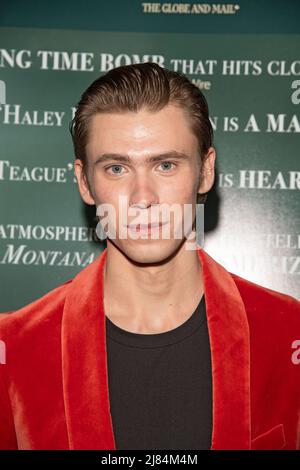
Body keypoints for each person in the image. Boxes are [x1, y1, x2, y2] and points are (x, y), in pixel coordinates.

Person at [0, 63, 299, 450]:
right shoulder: (15, 349)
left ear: (205, 171)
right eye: (117, 168)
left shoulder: (288, 334)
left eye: (166, 165)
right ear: (84, 182)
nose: (143, 198)